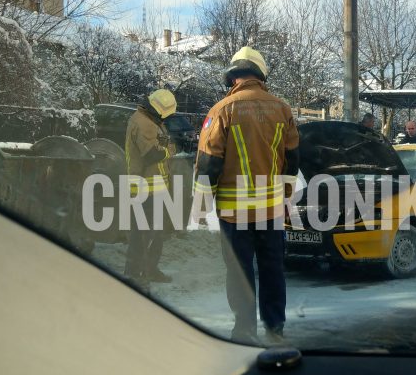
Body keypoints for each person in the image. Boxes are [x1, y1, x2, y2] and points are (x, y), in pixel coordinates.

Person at [194, 47, 300, 345]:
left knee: (240, 273)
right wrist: (286, 197)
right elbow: (292, 160)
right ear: (260, 75)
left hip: (233, 213)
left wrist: (200, 206)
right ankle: (275, 327)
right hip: (271, 211)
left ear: (234, 77)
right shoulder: (282, 109)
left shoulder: (221, 110)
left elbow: (208, 162)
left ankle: (244, 330)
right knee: (272, 270)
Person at [124, 89, 177, 289]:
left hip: (155, 187)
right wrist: (170, 150)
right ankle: (132, 274)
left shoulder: (150, 120)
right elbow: (151, 154)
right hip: (145, 187)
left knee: (156, 233)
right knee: (141, 234)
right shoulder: (143, 123)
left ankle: (149, 269)